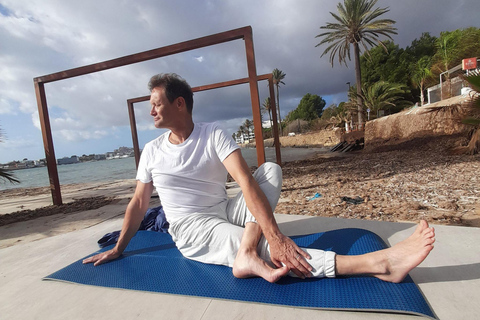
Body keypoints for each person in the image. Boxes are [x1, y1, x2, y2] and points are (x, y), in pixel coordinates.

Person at [84, 73, 435, 283]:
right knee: (272, 246)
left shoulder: (212, 133)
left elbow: (247, 182)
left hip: (224, 208)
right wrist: (118, 248)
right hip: (192, 228)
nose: (151, 111)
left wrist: (274, 231)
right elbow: (138, 202)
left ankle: (247, 252)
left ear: (179, 104)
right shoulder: (152, 151)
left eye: (156, 103)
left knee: (270, 172)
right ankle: (379, 264)